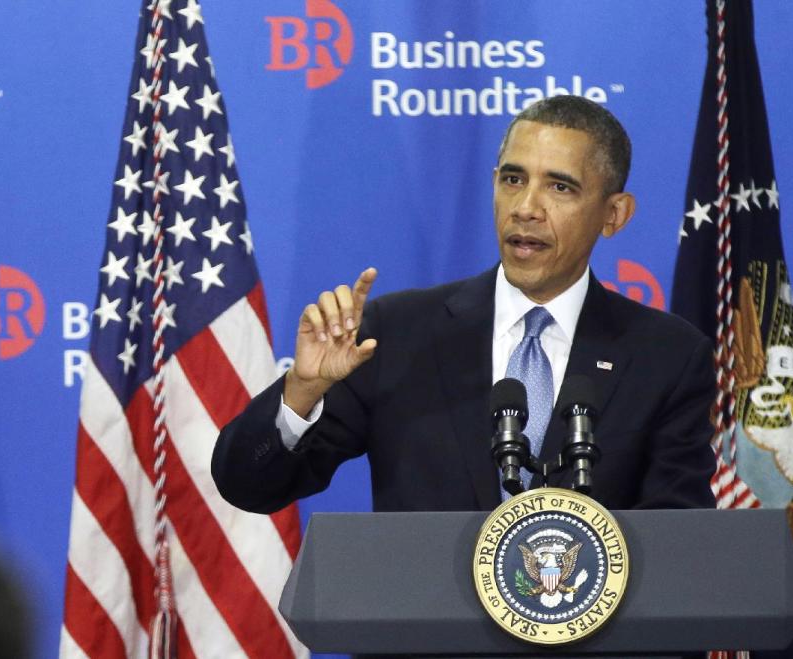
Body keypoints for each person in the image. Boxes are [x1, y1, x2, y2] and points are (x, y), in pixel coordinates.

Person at [212, 95, 716, 514]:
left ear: (613, 215)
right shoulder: (396, 332)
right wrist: (302, 391)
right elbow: (249, 485)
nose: (525, 208)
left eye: (559, 187)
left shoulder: (666, 356)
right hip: (430, 633)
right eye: (513, 179)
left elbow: (678, 547)